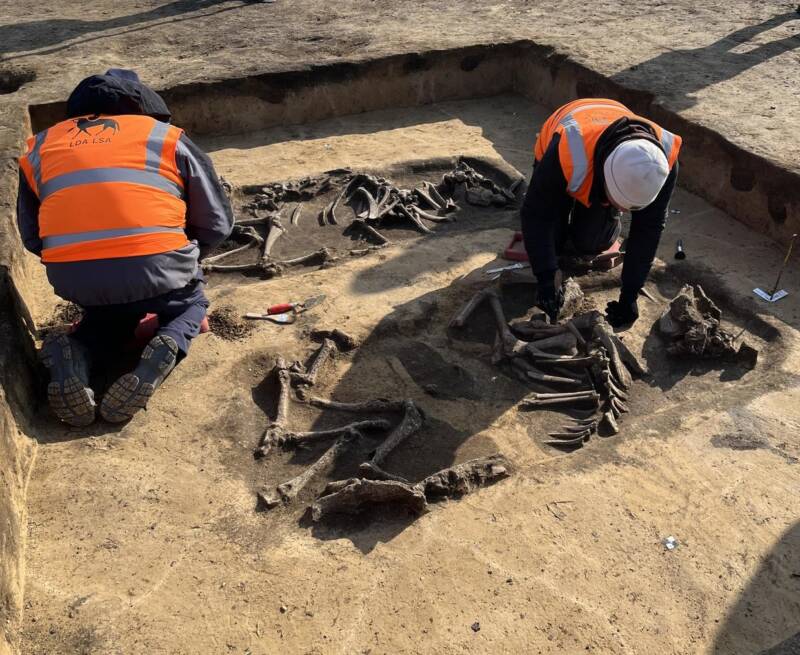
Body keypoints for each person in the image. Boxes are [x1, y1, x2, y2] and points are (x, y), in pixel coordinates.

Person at [17, 69, 233, 427]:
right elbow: (217, 224)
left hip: (76, 277)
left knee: (107, 317)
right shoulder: (166, 138)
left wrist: (85, 263)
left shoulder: (40, 147)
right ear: (143, 104)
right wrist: (184, 259)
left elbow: (31, 235)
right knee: (190, 306)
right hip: (159, 266)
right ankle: (166, 344)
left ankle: (78, 348)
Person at [520, 98, 681, 327]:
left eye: (629, 208)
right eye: (620, 203)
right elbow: (536, 214)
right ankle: (569, 217)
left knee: (591, 242)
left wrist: (630, 295)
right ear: (604, 176)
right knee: (551, 239)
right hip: (564, 139)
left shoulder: (663, 163)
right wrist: (545, 278)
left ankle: (596, 216)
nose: (625, 211)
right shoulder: (567, 148)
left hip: (599, 158)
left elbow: (648, 230)